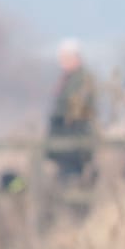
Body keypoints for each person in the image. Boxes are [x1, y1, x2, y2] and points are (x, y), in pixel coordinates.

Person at [46, 40, 99, 183]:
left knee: (73, 179)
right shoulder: (68, 78)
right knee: (64, 179)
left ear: (75, 58)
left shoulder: (82, 78)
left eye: (65, 58)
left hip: (75, 138)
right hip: (64, 139)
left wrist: (63, 119)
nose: (62, 62)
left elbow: (79, 110)